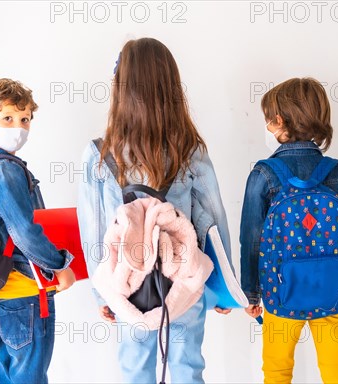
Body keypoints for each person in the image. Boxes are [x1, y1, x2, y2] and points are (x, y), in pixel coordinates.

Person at [77, 37, 232, 383]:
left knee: (136, 373)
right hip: (184, 286)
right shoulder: (190, 151)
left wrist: (101, 292)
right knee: (189, 370)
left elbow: (93, 230)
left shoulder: (99, 155)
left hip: (128, 285)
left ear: (121, 88)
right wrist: (224, 287)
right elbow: (213, 222)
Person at [240, 77, 338, 383]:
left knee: (277, 369)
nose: (267, 129)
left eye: (268, 122)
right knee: (337, 368)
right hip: (335, 288)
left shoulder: (263, 173)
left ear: (279, 121)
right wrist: (336, 261)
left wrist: (251, 292)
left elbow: (251, 237)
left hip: (281, 290)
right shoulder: (337, 172)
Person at [0, 78, 75, 384]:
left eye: (25, 118)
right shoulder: (4, 170)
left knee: (7, 374)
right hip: (27, 293)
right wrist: (59, 266)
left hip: (3, 293)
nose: (19, 127)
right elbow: (24, 232)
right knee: (29, 377)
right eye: (8, 118)